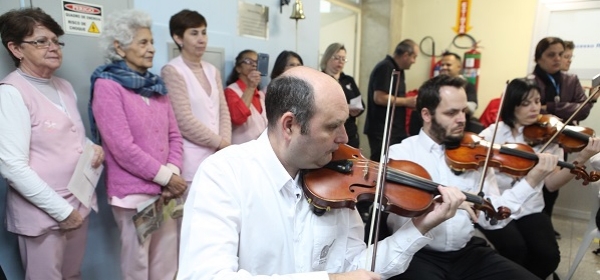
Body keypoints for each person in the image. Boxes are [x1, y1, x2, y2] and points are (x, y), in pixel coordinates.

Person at [177, 66, 467, 279]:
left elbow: (357, 268)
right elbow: (206, 275)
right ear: (289, 125)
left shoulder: (338, 181)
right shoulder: (224, 173)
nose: (345, 138)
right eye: (332, 126)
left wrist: (420, 227)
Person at [386, 75, 557, 280]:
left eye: (463, 111)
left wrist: (531, 181)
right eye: (451, 113)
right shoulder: (401, 155)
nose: (462, 119)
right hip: (416, 254)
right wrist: (441, 201)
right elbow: (394, 212)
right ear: (427, 114)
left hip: (466, 253)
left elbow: (493, 220)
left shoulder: (476, 154)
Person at [0, 8, 103, 279]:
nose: (53, 47)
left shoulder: (64, 86)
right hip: (44, 214)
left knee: (72, 275)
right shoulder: (11, 93)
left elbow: (67, 133)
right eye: (41, 41)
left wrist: (93, 146)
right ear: (16, 48)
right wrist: (62, 212)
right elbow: (12, 167)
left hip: (77, 201)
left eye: (56, 40)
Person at [89, 9, 185, 280]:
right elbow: (121, 147)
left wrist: (172, 174)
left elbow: (174, 136)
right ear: (119, 46)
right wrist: (168, 177)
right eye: (143, 43)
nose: (152, 49)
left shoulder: (156, 86)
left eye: (151, 42)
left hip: (165, 193)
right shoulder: (107, 86)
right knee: (138, 265)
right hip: (134, 196)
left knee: (167, 261)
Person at [476, 78, 600, 279]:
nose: (534, 108)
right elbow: (473, 155)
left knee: (548, 257)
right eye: (526, 103)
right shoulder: (493, 133)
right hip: (498, 206)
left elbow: (551, 185)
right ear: (511, 106)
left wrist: (582, 157)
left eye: (536, 101)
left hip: (530, 206)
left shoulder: (550, 137)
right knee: (515, 249)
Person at [531, 37, 597, 239]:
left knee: (553, 186)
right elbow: (533, 113)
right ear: (539, 58)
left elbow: (583, 110)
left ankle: (545, 226)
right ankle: (532, 224)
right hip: (538, 140)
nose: (557, 58)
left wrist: (549, 106)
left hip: (565, 141)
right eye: (551, 54)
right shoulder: (530, 81)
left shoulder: (571, 79)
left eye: (561, 54)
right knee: (535, 186)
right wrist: (567, 106)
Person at [161, 9, 231, 184]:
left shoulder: (211, 70)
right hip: (192, 160)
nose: (202, 39)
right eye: (194, 33)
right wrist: (220, 143)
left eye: (204, 32)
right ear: (178, 38)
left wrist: (225, 144)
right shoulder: (172, 70)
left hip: (218, 156)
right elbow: (183, 120)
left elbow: (223, 111)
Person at [364, 39, 418, 162]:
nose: (414, 61)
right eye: (414, 57)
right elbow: (379, 98)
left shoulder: (399, 70)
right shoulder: (386, 67)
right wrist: (407, 102)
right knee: (381, 165)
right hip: (382, 129)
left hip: (394, 129)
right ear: (405, 55)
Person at [408, 52, 483, 135]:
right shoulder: (434, 85)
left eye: (448, 65)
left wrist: (453, 106)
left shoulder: (468, 85)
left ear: (459, 67)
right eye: (442, 65)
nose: (444, 67)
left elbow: (472, 107)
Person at [320, 43, 364, 148]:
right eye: (337, 58)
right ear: (327, 58)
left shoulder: (348, 80)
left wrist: (356, 110)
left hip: (350, 131)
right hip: (329, 132)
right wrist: (344, 108)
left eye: (343, 59)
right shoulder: (320, 79)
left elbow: (361, 104)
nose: (340, 62)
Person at [224, 49, 268, 144]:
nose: (254, 65)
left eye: (257, 62)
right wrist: (251, 87)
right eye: (248, 61)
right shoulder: (230, 91)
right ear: (238, 68)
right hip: (240, 151)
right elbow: (237, 118)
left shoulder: (260, 95)